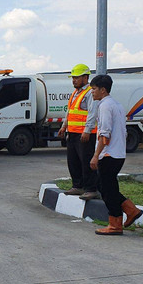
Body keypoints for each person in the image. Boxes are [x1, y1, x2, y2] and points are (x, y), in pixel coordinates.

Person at [89, 75, 143, 235]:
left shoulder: (105, 106)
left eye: (94, 89)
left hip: (109, 154)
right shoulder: (117, 105)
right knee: (105, 187)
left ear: (103, 90)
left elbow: (104, 133)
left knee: (107, 190)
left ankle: (116, 223)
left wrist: (96, 155)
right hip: (118, 152)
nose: (92, 92)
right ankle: (130, 210)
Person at [57, 63, 99, 200]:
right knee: (73, 161)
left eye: (77, 77)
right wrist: (64, 126)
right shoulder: (75, 93)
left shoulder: (90, 93)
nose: (74, 80)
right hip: (73, 133)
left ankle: (91, 189)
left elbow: (92, 114)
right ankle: (78, 186)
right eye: (73, 77)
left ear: (86, 77)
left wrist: (87, 131)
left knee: (86, 162)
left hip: (85, 135)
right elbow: (70, 111)